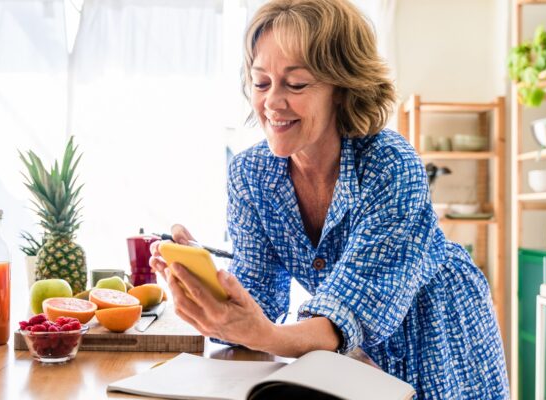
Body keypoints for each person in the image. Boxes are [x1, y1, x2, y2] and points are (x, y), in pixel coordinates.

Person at [149, 0, 509, 398]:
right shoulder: (251, 175)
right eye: (261, 82)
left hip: (444, 334)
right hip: (355, 357)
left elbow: (346, 315)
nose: (272, 103)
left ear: (343, 87)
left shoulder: (390, 164)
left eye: (296, 84)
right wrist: (208, 286)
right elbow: (261, 301)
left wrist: (261, 332)